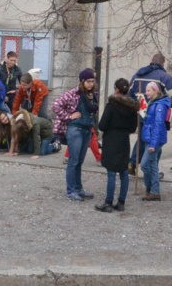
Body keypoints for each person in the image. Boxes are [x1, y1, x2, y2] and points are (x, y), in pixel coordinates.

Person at [52, 69, 99, 201]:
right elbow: (55, 105)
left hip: (87, 130)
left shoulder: (92, 95)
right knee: (73, 161)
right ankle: (71, 190)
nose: (90, 84)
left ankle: (78, 188)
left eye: (92, 81)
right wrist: (68, 116)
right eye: (88, 81)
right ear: (82, 81)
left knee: (79, 161)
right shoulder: (73, 93)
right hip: (75, 129)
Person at [95, 78, 139, 212]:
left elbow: (102, 125)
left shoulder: (112, 105)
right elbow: (133, 128)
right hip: (124, 140)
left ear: (117, 89)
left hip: (111, 139)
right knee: (123, 171)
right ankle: (121, 202)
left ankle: (108, 202)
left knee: (111, 172)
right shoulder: (132, 107)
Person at [138, 81, 172, 200]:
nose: (146, 93)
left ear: (155, 91)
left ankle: (150, 187)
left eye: (148, 90)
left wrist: (153, 144)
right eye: (146, 90)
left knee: (144, 165)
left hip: (154, 139)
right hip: (150, 136)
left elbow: (158, 125)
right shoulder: (153, 102)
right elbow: (149, 120)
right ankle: (155, 191)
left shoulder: (160, 105)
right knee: (152, 165)